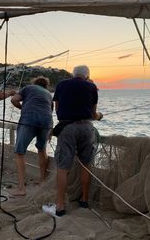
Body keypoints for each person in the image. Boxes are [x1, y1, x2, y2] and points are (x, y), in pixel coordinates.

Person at [44, 65, 102, 217]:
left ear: (72, 74)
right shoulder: (92, 86)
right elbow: (94, 113)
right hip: (87, 128)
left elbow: (57, 108)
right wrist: (99, 116)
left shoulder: (62, 84)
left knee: (63, 167)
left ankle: (60, 206)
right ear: (87, 76)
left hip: (67, 127)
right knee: (86, 164)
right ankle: (84, 200)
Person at [11, 76, 53, 196]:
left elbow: (14, 100)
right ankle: (42, 180)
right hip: (46, 122)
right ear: (46, 86)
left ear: (34, 83)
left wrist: (23, 107)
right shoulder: (48, 94)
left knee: (19, 152)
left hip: (29, 119)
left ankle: (21, 188)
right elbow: (50, 111)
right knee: (42, 149)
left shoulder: (28, 88)